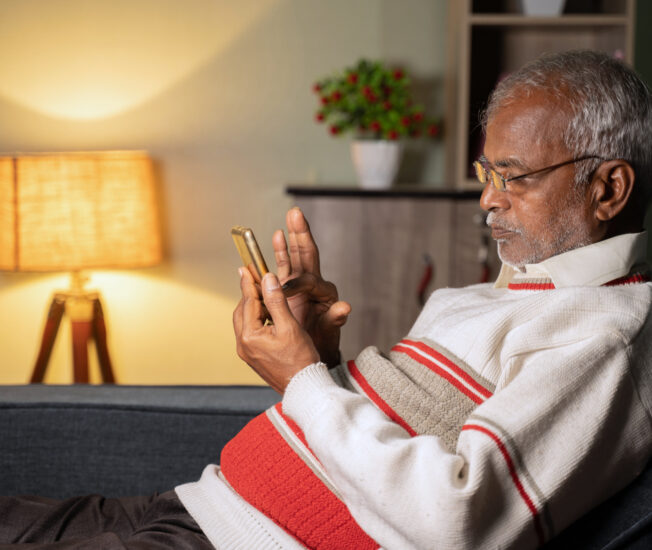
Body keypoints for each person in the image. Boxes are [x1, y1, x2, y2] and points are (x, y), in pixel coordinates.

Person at [1, 49, 651, 549]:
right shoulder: (493, 292)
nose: (488, 198)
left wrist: (303, 378)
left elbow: (459, 517)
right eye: (487, 173)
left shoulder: (603, 336)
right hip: (200, 504)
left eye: (515, 177)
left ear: (608, 188)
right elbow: (385, 449)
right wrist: (323, 357)